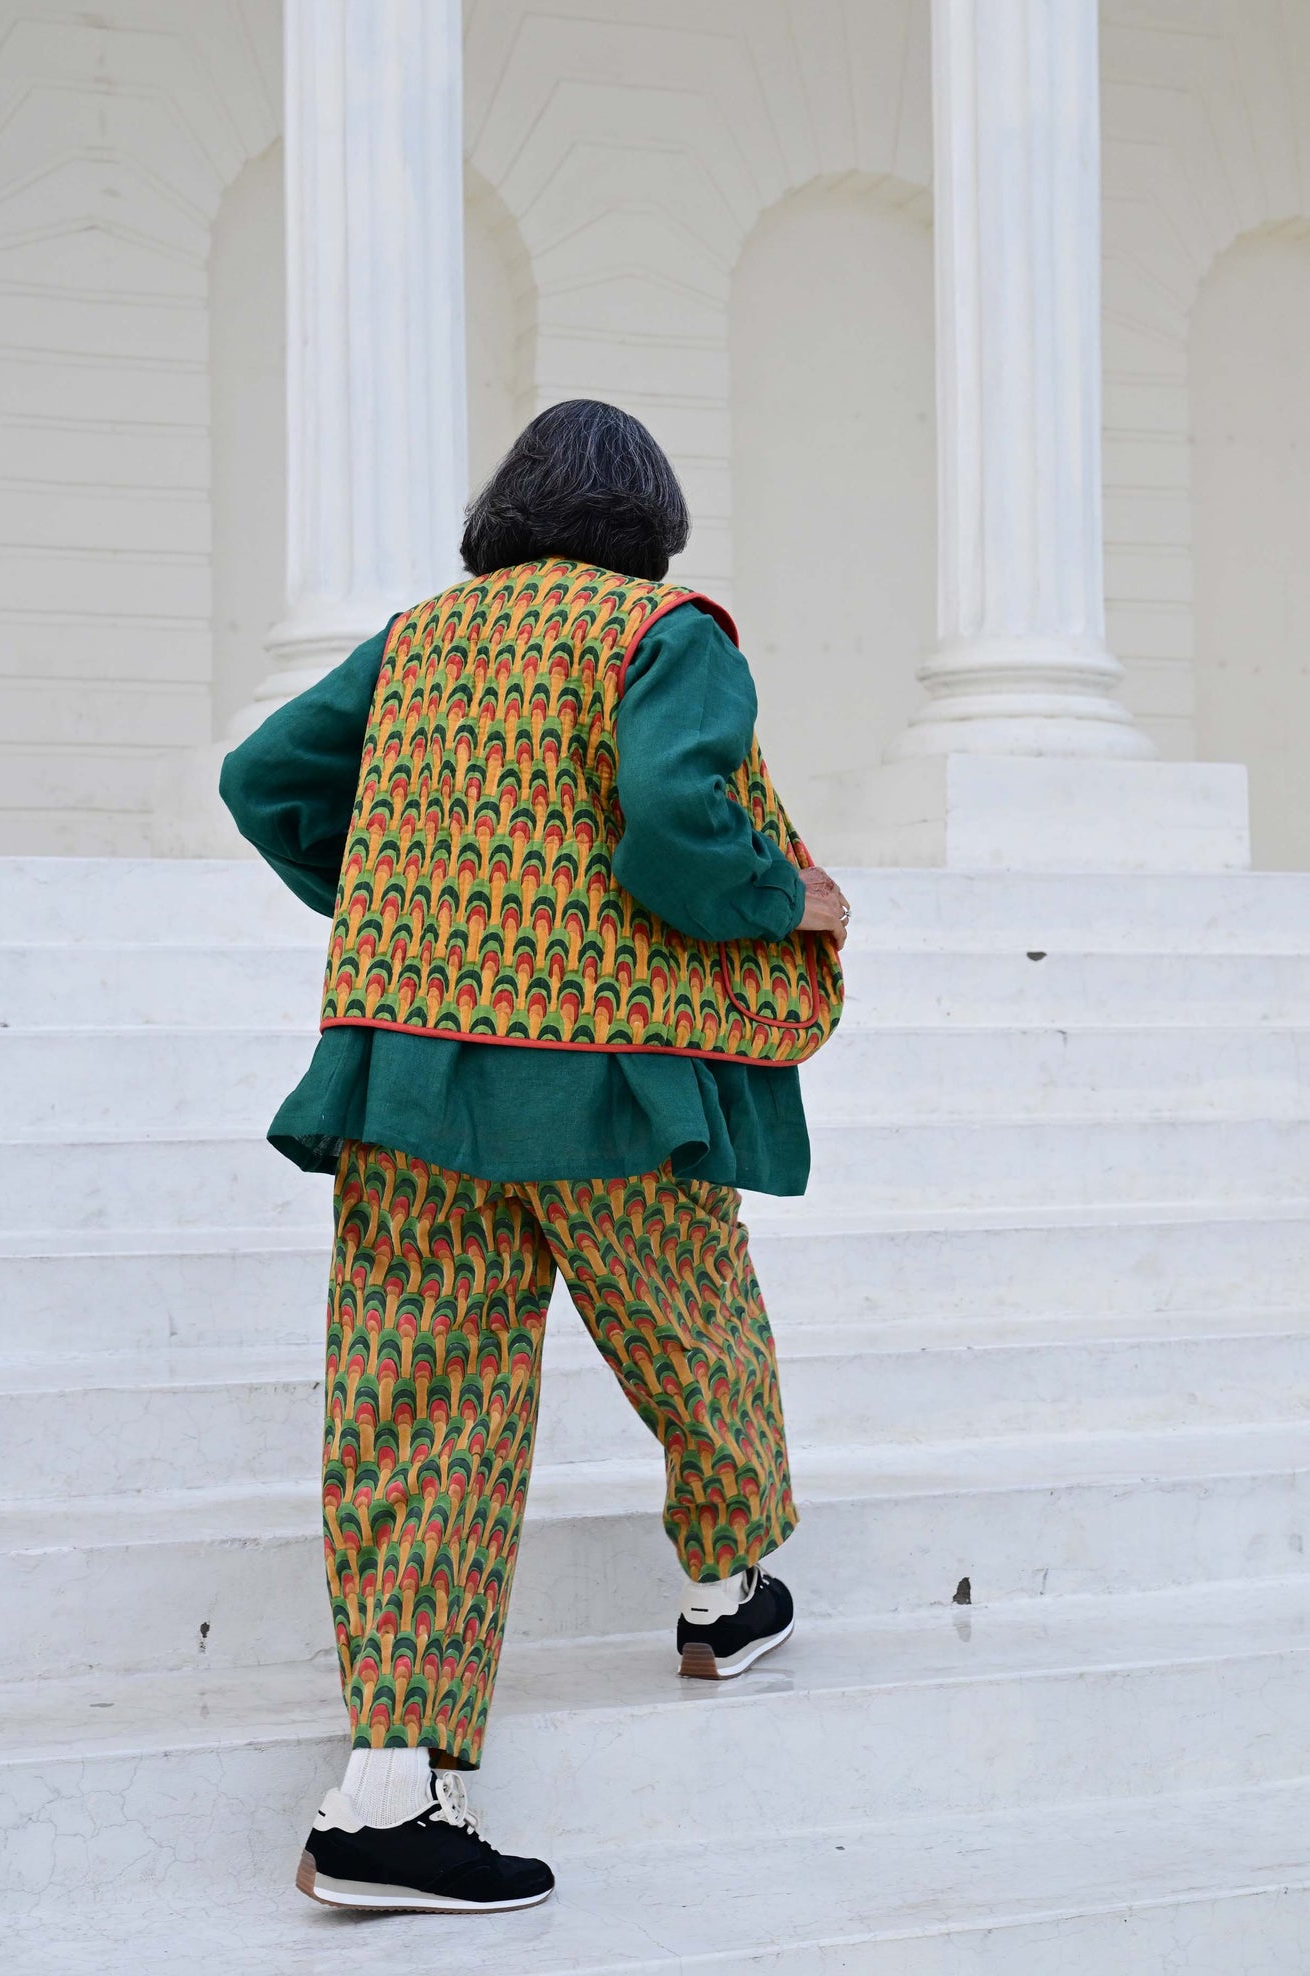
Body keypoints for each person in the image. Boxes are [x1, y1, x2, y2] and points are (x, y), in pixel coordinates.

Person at [220, 398, 849, 1916]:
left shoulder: (418, 639)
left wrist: (395, 889)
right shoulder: (664, 633)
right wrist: (786, 899)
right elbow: (669, 819)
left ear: (503, 511)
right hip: (607, 1078)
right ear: (655, 523)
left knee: (414, 1404)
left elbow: (263, 781)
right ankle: (722, 1596)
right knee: (687, 1321)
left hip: (409, 1079)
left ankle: (387, 1794)